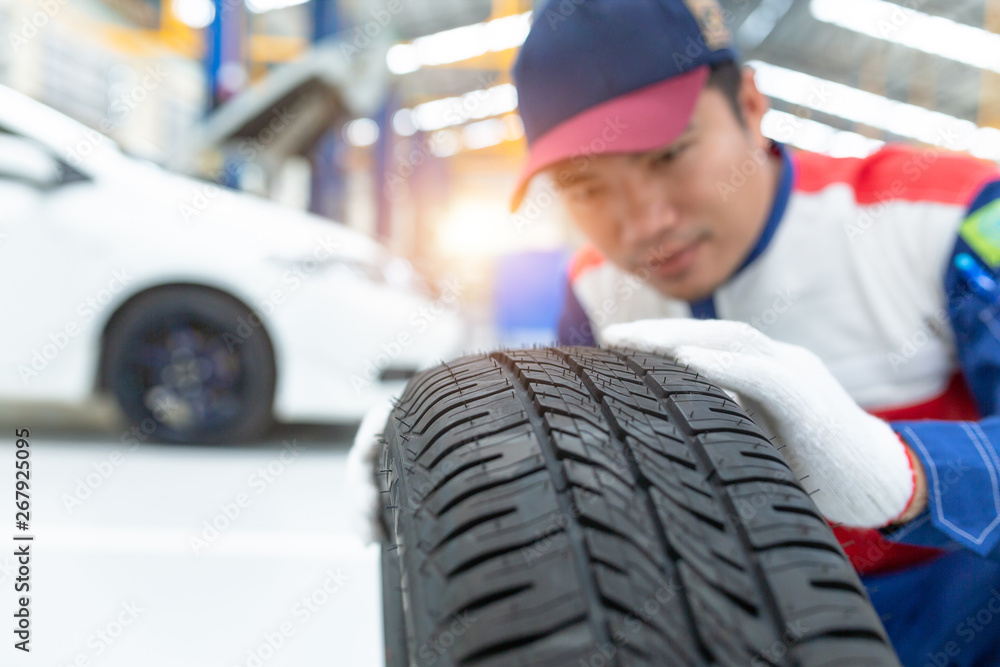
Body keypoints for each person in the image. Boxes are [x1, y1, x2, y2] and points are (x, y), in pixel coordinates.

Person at [508, 0, 1000, 664]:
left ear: (749, 101)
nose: (645, 222)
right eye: (587, 187)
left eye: (668, 156)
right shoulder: (594, 290)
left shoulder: (949, 217)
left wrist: (909, 473)